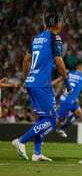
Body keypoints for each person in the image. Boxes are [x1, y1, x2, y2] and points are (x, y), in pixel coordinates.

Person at [12, 12, 72, 161]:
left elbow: (26, 61)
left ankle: (37, 153)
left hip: (33, 82)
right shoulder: (55, 38)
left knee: (42, 117)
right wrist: (67, 82)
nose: (63, 25)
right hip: (42, 84)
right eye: (61, 22)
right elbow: (59, 62)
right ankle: (21, 140)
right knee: (51, 120)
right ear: (57, 24)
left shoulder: (37, 38)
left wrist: (27, 80)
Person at [53, 60, 82, 138]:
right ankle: (41, 133)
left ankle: (63, 129)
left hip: (66, 98)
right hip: (68, 101)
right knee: (58, 121)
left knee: (78, 112)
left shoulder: (69, 73)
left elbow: (56, 82)